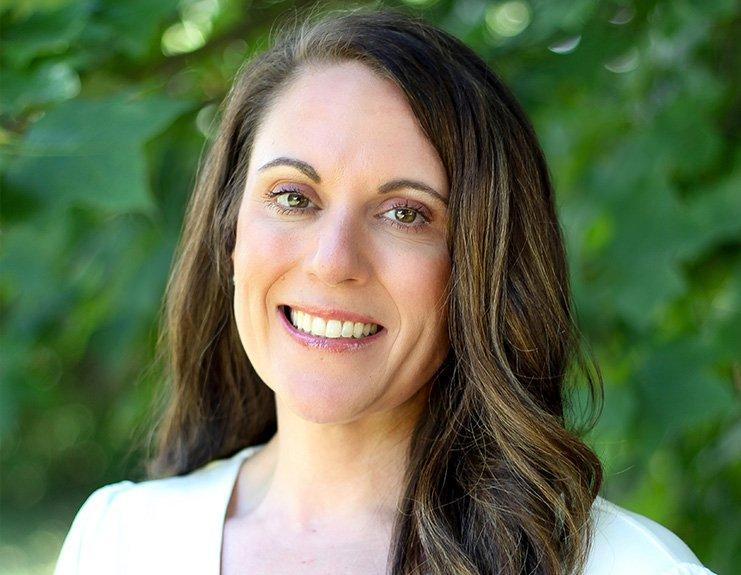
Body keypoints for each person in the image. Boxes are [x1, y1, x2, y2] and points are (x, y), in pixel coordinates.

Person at [53, 7, 717, 575]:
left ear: (480, 270)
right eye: (292, 197)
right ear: (229, 236)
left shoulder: (624, 565)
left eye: (406, 212)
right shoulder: (119, 540)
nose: (332, 260)